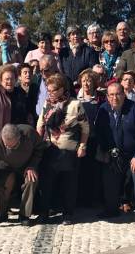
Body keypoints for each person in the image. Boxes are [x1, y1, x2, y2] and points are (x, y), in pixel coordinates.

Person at [36, 74, 89, 225]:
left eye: (53, 90)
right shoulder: (47, 104)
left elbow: (85, 127)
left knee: (69, 185)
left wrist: (82, 146)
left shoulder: (75, 105)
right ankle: (45, 212)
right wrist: (38, 145)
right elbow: (40, 125)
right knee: (46, 184)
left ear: (62, 89)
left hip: (69, 151)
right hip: (50, 149)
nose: (50, 93)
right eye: (48, 90)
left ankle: (68, 214)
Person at [99, 82, 135, 226]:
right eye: (111, 95)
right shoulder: (103, 109)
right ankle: (111, 209)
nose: (114, 97)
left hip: (134, 154)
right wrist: (107, 151)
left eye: (118, 94)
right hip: (114, 153)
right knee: (109, 178)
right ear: (107, 97)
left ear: (124, 94)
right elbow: (100, 133)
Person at [0, 124, 47, 226]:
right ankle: (1, 213)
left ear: (19, 138)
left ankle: (24, 214)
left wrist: (32, 165)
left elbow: (40, 148)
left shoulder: (29, 133)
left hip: (27, 165)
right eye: (6, 146)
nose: (9, 149)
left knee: (31, 180)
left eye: (14, 146)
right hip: (6, 165)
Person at [76, 69, 109, 207]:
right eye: (83, 81)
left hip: (96, 139)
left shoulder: (101, 98)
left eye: (89, 80)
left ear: (94, 83)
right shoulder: (75, 98)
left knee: (95, 170)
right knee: (80, 170)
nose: (86, 83)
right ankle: (80, 199)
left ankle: (94, 199)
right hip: (79, 139)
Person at [0, 64, 33, 149]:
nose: (9, 81)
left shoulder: (21, 93)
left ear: (16, 79)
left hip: (18, 139)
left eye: (12, 79)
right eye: (7, 79)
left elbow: (26, 116)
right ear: (1, 80)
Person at [28, 54, 61, 119]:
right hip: (37, 120)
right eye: (40, 70)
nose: (43, 73)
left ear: (54, 67)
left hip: (56, 120)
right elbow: (30, 101)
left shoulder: (64, 81)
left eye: (46, 70)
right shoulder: (35, 80)